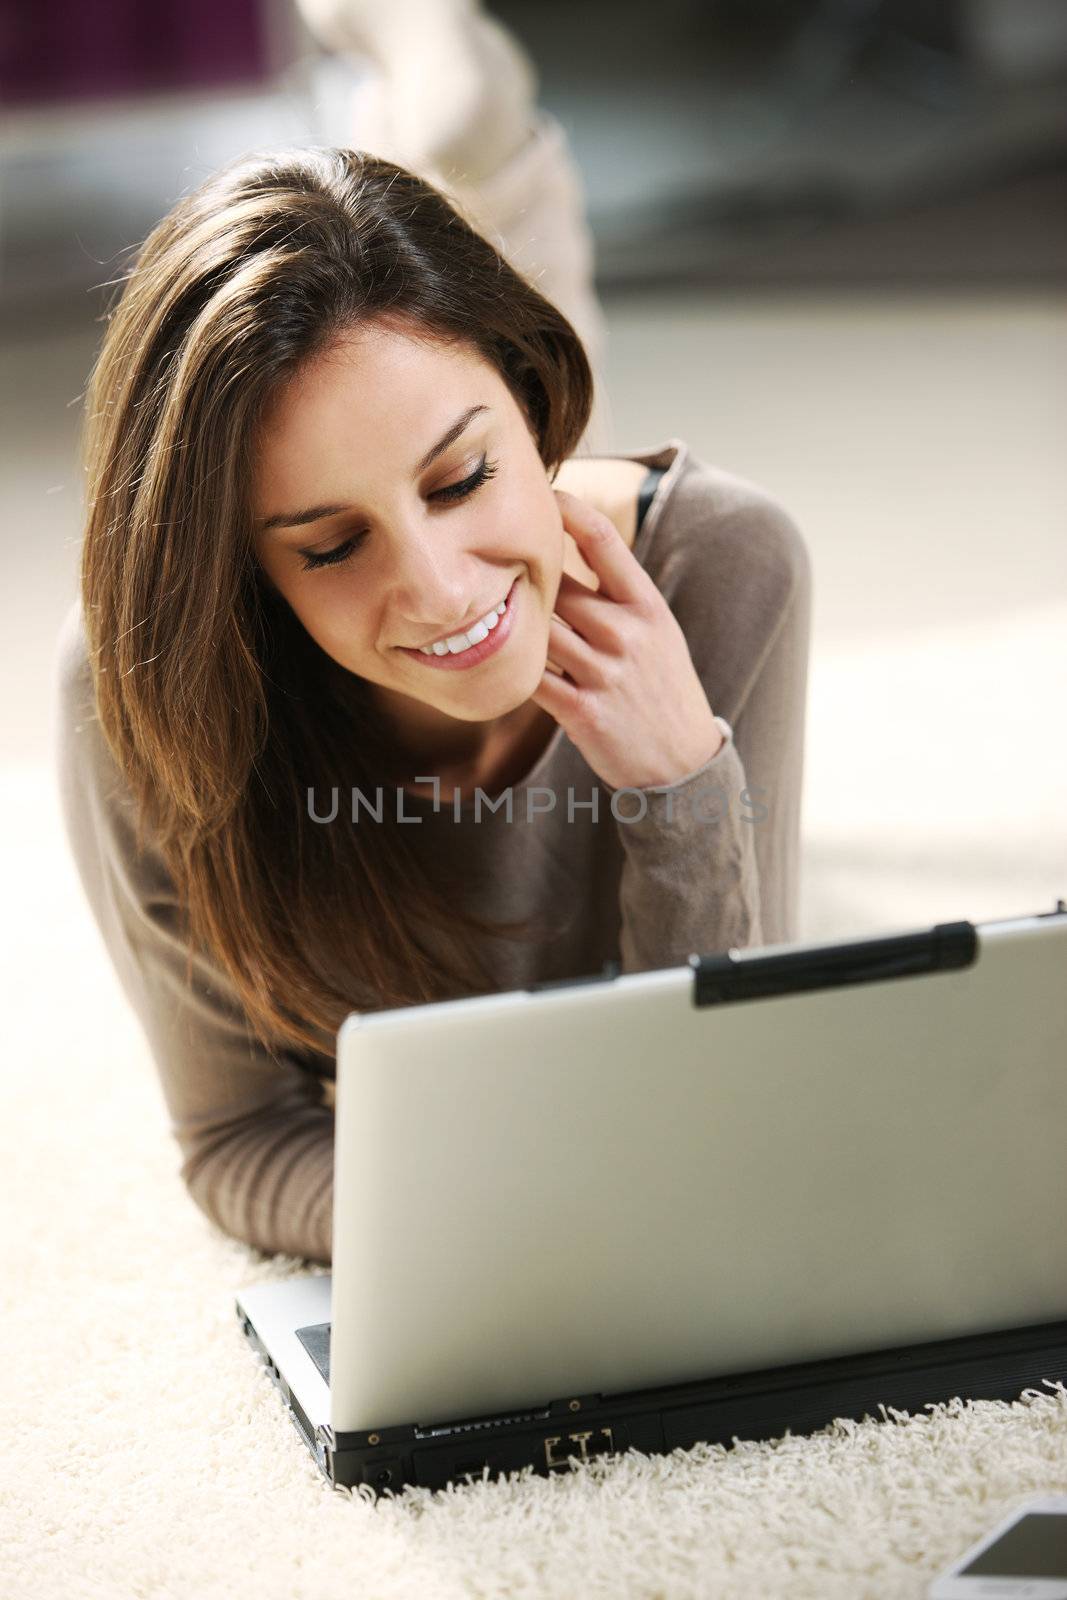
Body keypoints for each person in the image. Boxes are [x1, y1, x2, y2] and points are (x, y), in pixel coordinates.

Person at [53, 145, 811, 1267]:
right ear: (242, 571)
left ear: (527, 393)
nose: (441, 588)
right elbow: (242, 1138)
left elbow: (726, 1110)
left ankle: (462, 116)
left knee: (477, 229)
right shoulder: (146, 688)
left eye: (460, 480)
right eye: (330, 544)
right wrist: (520, 1229)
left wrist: (680, 787)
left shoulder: (724, 565)